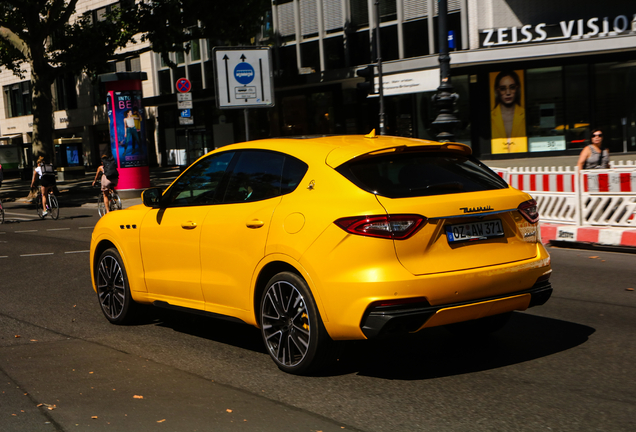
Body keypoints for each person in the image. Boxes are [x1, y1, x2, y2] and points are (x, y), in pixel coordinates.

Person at [491, 70, 527, 153]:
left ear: (517, 88)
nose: (508, 93)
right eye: (503, 89)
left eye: (512, 87)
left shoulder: (525, 114)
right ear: (497, 90)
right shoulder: (491, 116)